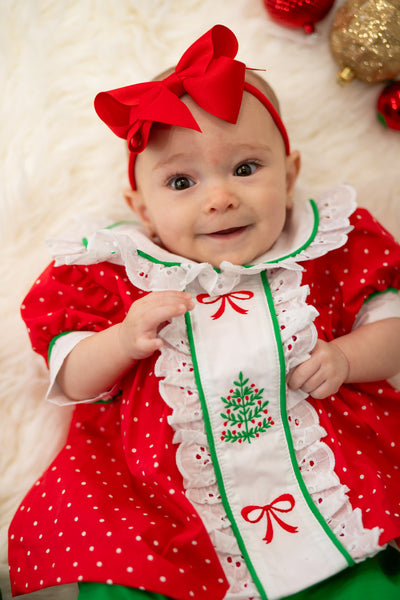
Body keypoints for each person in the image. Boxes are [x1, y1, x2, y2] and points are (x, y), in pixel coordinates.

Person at [8, 24, 400, 600]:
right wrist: (119, 341)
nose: (219, 197)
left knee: (369, 575)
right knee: (123, 578)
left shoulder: (328, 247)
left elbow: (393, 331)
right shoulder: (115, 272)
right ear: (140, 208)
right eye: (182, 181)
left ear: (290, 177)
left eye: (245, 169)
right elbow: (66, 375)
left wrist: (345, 356)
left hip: (334, 482)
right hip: (165, 514)